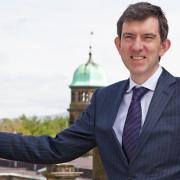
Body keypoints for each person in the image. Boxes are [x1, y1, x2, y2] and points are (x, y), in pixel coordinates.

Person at [0, 2, 179, 179]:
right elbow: (56, 149)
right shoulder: (104, 99)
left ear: (164, 46)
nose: (137, 46)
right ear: (119, 45)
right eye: (129, 37)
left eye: (147, 37)